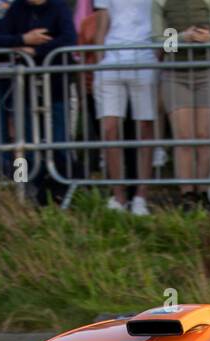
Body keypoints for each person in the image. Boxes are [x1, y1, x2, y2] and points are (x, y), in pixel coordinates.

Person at [0, 0, 73, 196]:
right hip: (24, 91)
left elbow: (69, 38)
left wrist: (37, 50)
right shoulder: (17, 8)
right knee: (22, 143)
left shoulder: (58, 7)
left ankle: (61, 189)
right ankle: (22, 188)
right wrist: (23, 39)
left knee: (60, 141)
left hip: (56, 86)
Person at [152, 0, 210, 209]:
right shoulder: (160, 2)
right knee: (184, 137)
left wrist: (207, 39)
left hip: (205, 72)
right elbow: (158, 41)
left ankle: (204, 191)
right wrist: (184, 37)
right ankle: (187, 195)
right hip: (175, 73)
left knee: (204, 136)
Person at [90, 0, 157, 214]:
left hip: (146, 58)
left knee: (145, 128)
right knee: (110, 129)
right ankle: (118, 196)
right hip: (112, 60)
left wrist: (165, 54)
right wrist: (100, 64)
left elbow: (167, 21)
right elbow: (102, 25)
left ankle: (141, 196)